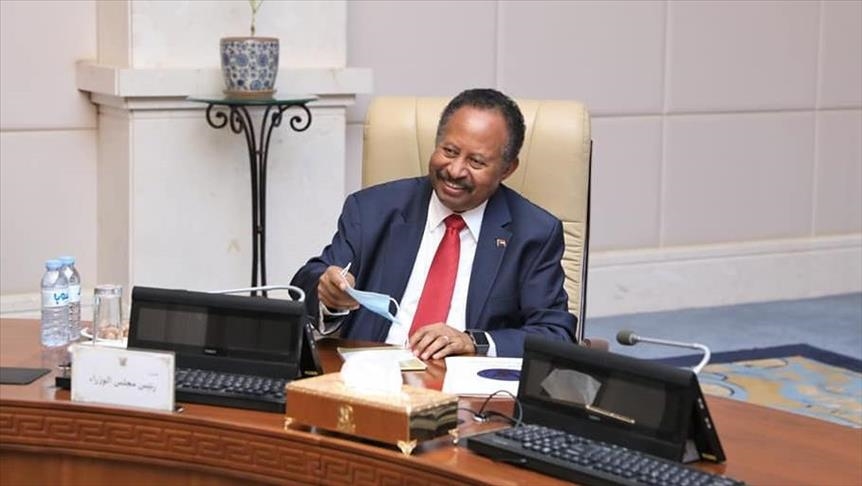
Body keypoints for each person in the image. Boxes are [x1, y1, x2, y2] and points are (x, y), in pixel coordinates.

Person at [291, 88, 576, 359]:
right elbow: (308, 282)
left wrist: (473, 341)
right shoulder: (373, 209)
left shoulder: (534, 233)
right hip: (370, 375)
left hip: (465, 384)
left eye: (476, 162)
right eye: (449, 151)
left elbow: (555, 334)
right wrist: (327, 294)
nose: (455, 170)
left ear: (507, 169)